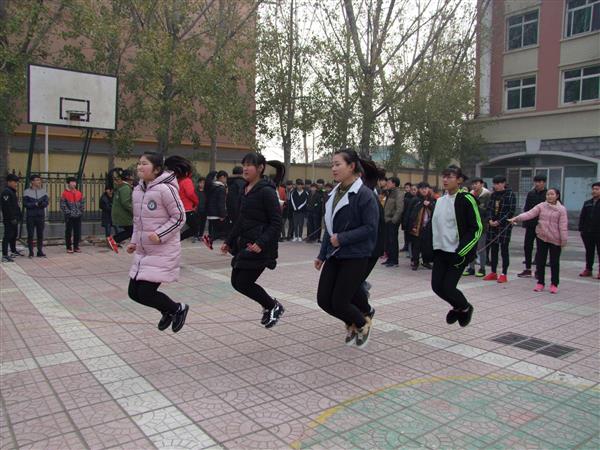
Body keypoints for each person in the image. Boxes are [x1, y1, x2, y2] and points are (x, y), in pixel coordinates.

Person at [315, 148, 380, 348]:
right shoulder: (333, 194)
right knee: (323, 300)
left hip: (356, 255)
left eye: (338, 164)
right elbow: (329, 228)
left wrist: (342, 238)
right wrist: (322, 255)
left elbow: (370, 228)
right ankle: (353, 321)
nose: (333, 169)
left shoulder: (364, 195)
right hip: (334, 255)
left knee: (340, 302)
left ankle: (362, 323)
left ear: (351, 166)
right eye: (332, 165)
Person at [221, 153, 285, 328]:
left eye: (249, 165)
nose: (245, 168)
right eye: (244, 164)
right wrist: (228, 240)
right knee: (237, 282)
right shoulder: (246, 189)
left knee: (243, 282)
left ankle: (272, 306)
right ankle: (270, 306)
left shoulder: (266, 191)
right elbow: (241, 219)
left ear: (260, 168)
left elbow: (276, 222)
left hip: (261, 247)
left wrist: (261, 243)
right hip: (246, 243)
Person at [127, 152, 188, 332]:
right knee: (133, 293)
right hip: (144, 251)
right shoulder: (138, 190)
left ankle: (177, 309)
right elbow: (138, 221)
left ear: (156, 169)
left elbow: (179, 217)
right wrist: (133, 242)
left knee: (145, 293)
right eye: (139, 163)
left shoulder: (166, 189)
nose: (140, 167)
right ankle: (168, 311)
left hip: (163, 250)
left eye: (144, 163)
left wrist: (160, 234)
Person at [431, 165, 482, 328]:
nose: (445, 180)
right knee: (437, 287)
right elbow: (434, 227)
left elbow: (477, 228)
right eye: (444, 176)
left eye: (450, 176)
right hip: (440, 251)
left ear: (459, 180)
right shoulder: (440, 201)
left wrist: (462, 251)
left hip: (457, 253)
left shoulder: (466, 199)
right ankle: (458, 307)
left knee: (448, 287)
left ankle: (465, 307)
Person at [509, 188, 567, 293]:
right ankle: (540, 282)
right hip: (542, 237)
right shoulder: (541, 206)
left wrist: (563, 240)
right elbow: (529, 214)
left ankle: (554, 284)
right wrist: (516, 218)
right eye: (548, 194)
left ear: (557, 196)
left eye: (552, 194)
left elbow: (563, 226)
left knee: (554, 262)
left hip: (555, 239)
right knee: (540, 261)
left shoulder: (561, 209)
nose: (549, 196)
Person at [484, 175, 516, 283]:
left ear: (504, 183)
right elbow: (489, 208)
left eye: (498, 183)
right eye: (495, 183)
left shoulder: (510, 194)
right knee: (493, 249)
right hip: (492, 225)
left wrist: (499, 221)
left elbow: (511, 211)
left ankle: (504, 273)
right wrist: (489, 220)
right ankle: (493, 272)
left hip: (504, 226)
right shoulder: (493, 195)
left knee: (504, 250)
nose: (496, 186)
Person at [518, 174, 547, 278]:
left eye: (540, 182)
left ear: (544, 182)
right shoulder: (531, 194)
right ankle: (528, 268)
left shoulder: (548, 194)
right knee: (527, 246)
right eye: (536, 182)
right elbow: (527, 209)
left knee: (541, 248)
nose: (537, 184)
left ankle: (539, 270)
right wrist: (525, 222)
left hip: (542, 226)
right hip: (530, 225)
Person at [164, 156, 199, 241]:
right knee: (195, 228)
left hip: (178, 207)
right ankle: (178, 239)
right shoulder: (187, 181)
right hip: (187, 209)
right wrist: (196, 202)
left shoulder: (177, 181)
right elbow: (190, 193)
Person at [464, 177, 490, 277]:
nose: (474, 186)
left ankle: (482, 268)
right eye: (473, 184)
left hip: (481, 225)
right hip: (471, 226)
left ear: (482, 184)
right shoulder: (470, 195)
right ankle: (471, 268)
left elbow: (487, 210)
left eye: (476, 183)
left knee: (481, 248)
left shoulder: (487, 195)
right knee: (470, 247)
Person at [407, 182, 435, 270]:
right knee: (416, 245)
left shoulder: (432, 200)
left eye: (426, 188)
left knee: (427, 245)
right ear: (419, 190)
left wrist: (429, 205)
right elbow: (409, 213)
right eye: (422, 188)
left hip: (428, 226)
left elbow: (436, 211)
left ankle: (426, 261)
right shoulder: (415, 200)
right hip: (417, 226)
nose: (424, 190)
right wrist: (409, 225)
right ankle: (415, 262)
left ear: (429, 189)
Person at [107, 169, 133, 253]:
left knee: (131, 230)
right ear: (128, 177)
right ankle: (114, 239)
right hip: (124, 214)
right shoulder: (125, 188)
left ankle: (115, 240)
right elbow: (126, 203)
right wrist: (134, 211)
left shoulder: (122, 187)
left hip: (120, 213)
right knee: (131, 230)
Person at [578, 182, 600, 279]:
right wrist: (581, 229)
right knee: (589, 251)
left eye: (597, 189)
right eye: (593, 189)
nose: (594, 191)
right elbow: (582, 217)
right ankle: (588, 269)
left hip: (598, 232)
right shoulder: (587, 203)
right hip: (587, 232)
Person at [23, 174, 48, 257]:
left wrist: (41, 204)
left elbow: (46, 202)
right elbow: (25, 204)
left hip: (40, 215)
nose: (39, 181)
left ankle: (40, 251)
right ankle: (31, 252)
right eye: (37, 180)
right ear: (32, 182)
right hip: (31, 216)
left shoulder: (43, 191)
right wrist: (35, 204)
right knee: (30, 234)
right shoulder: (27, 192)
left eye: (39, 180)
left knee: (40, 234)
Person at [382, 176, 404, 267]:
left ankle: (394, 261)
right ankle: (389, 258)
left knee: (393, 241)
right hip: (387, 220)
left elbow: (400, 208)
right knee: (387, 241)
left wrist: (393, 220)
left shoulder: (398, 193)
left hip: (392, 221)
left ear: (394, 184)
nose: (387, 184)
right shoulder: (390, 192)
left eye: (389, 182)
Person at [60, 177, 85, 254]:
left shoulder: (79, 193)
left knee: (77, 231)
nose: (74, 184)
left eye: (75, 182)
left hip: (78, 215)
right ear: (68, 183)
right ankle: (68, 247)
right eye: (72, 182)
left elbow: (82, 203)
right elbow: (63, 205)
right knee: (68, 231)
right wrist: (68, 213)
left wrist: (81, 211)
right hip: (69, 216)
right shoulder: (65, 193)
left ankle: (76, 246)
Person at [1, 174, 22, 262]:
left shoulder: (12, 191)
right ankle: (5, 255)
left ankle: (13, 251)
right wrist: (12, 218)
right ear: (9, 182)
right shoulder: (6, 192)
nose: (16, 184)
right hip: (9, 219)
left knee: (14, 235)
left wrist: (18, 215)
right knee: (7, 236)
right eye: (14, 182)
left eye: (16, 182)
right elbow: (7, 207)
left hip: (14, 218)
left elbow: (15, 206)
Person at [206, 170, 228, 241]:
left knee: (214, 230)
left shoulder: (211, 186)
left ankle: (209, 239)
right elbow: (221, 202)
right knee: (222, 232)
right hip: (217, 213)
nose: (226, 180)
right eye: (226, 178)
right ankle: (209, 239)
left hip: (210, 212)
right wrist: (222, 215)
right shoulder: (221, 188)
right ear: (222, 177)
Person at [400, 182, 414, 252]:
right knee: (405, 233)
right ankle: (406, 246)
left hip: (409, 217)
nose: (406, 189)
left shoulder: (412, 196)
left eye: (407, 187)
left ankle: (409, 247)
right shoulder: (404, 195)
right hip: (404, 216)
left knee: (409, 234)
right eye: (405, 188)